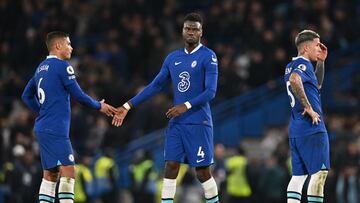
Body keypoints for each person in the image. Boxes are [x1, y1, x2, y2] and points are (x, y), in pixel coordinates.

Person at [112, 13, 219, 203]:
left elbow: (210, 92)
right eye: (188, 28)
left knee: (202, 172)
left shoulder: (208, 56)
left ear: (201, 32)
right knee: (170, 166)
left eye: (195, 29)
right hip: (177, 123)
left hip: (199, 122)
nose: (191, 32)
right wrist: (128, 105)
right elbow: (155, 86)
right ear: (182, 31)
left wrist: (185, 106)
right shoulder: (173, 58)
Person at [21, 31, 117, 203]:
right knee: (69, 171)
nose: (71, 48)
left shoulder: (40, 68)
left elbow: (26, 96)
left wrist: (42, 111)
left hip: (43, 127)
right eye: (68, 44)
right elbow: (78, 95)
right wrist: (99, 106)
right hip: (55, 129)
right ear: (58, 46)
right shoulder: (63, 67)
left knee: (50, 174)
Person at [284, 30, 329, 203]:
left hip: (296, 128)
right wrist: (308, 107)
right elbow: (296, 80)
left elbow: (315, 85)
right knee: (319, 174)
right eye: (317, 45)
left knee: (298, 176)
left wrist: (321, 63)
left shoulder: (291, 65)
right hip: (311, 127)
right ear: (306, 48)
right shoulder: (302, 65)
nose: (319, 48)